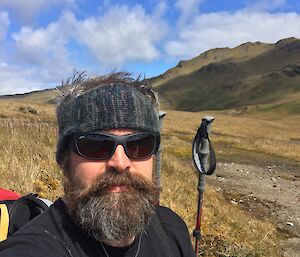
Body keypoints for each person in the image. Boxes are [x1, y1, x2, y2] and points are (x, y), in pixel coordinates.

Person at [0, 72, 196, 257]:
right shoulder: (35, 248)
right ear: (65, 160)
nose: (120, 163)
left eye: (139, 145)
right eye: (95, 145)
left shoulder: (173, 230)